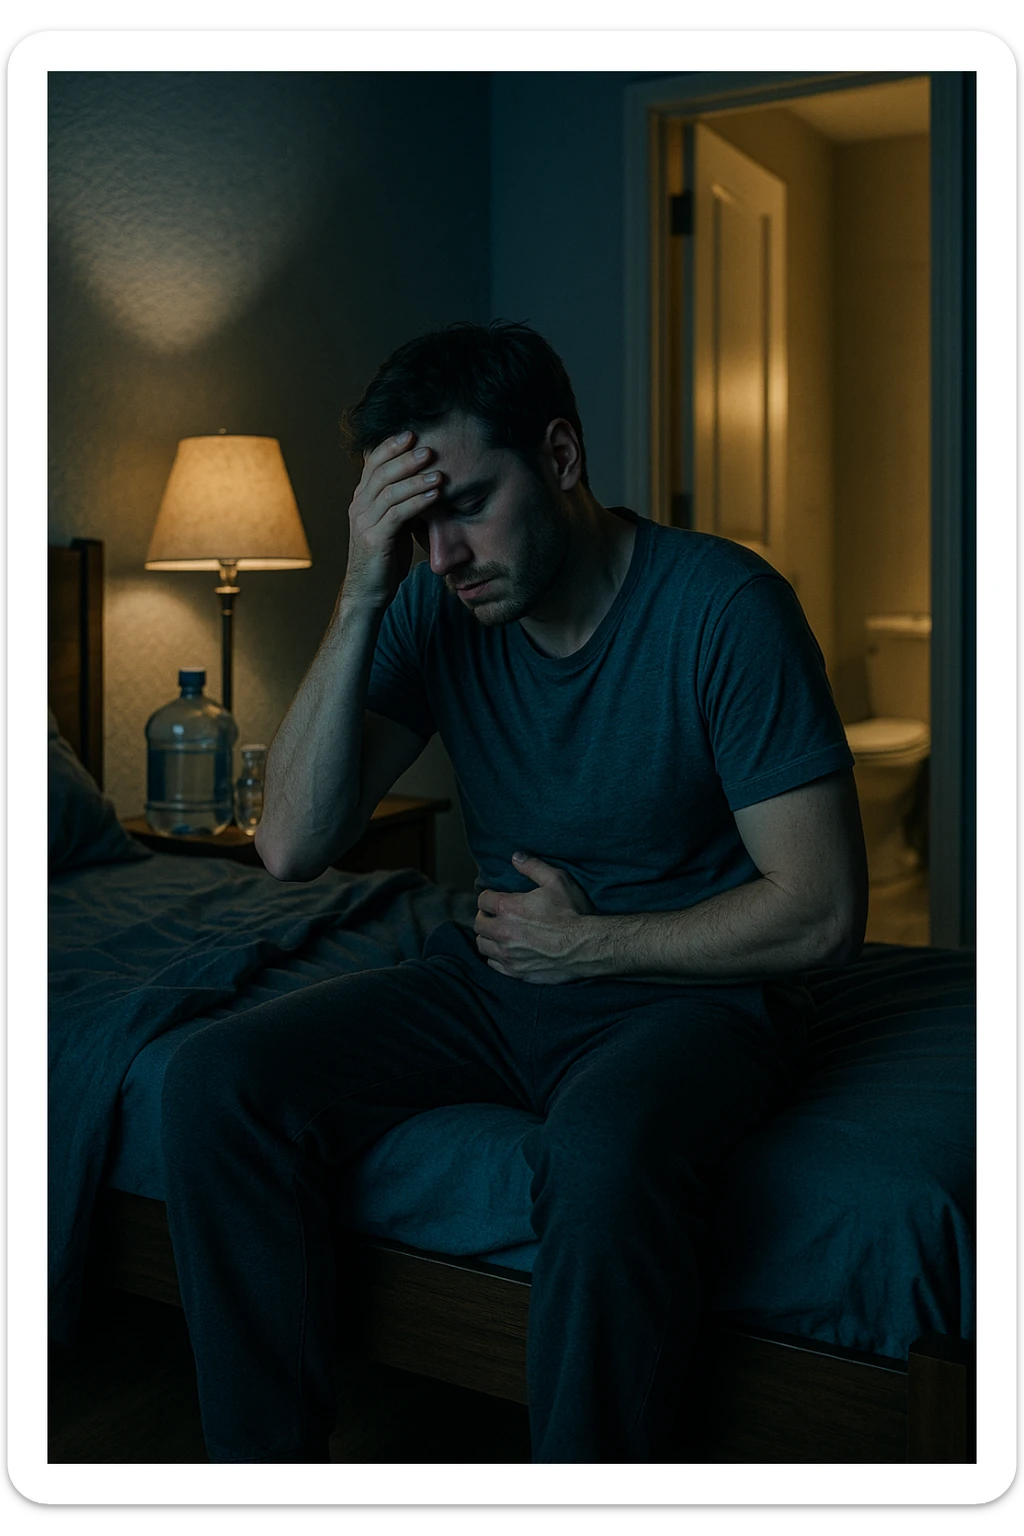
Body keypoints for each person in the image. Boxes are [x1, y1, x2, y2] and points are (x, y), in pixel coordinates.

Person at [160, 320, 868, 1464]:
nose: (443, 554)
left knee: (596, 1154)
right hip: (500, 975)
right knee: (213, 1078)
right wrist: (357, 596)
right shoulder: (433, 604)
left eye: (468, 504)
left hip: (695, 998)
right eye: (414, 523)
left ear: (562, 457)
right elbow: (291, 845)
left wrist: (590, 949)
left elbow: (826, 911)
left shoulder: (725, 608)